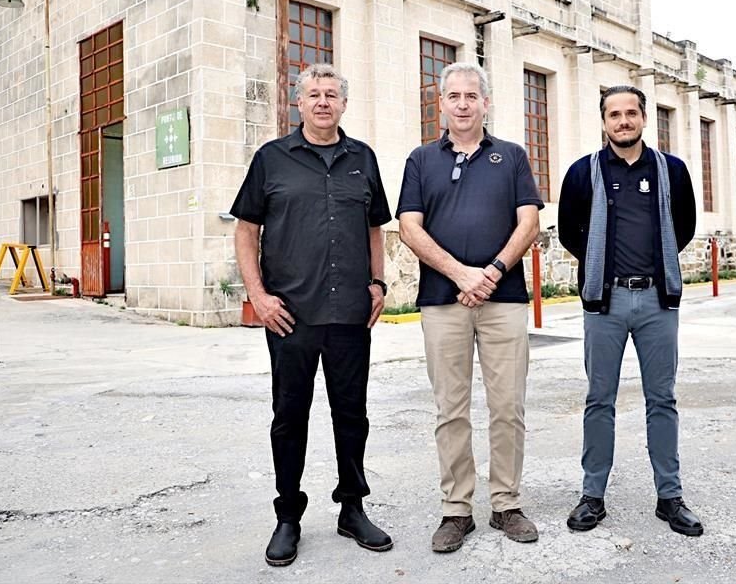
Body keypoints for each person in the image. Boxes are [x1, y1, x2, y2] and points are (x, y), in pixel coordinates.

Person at [231, 64, 393, 566]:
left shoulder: (361, 158)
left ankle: (352, 508)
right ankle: (288, 516)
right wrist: (258, 296)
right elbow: (245, 231)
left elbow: (374, 229)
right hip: (290, 316)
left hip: (349, 313)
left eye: (332, 95)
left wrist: (378, 282)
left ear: (344, 104)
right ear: (297, 103)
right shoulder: (271, 159)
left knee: (352, 416)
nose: (323, 102)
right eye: (313, 95)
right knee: (289, 417)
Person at [396, 62, 544, 553]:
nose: (462, 104)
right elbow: (410, 228)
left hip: (502, 301)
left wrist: (492, 273)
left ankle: (506, 504)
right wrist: (461, 274)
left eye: (471, 96)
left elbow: (528, 223)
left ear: (485, 102)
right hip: (443, 301)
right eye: (453, 96)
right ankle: (457, 511)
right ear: (441, 104)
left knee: (507, 407)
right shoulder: (421, 160)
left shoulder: (513, 156)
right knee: (450, 410)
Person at [557, 85, 703, 537]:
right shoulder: (583, 173)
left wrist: (652, 266)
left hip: (657, 302)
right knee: (599, 400)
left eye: (631, 113)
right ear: (603, 122)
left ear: (644, 119)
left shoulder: (670, 171)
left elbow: (684, 227)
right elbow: (568, 232)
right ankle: (593, 496)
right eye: (614, 114)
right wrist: (603, 267)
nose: (623, 121)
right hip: (605, 302)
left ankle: (670, 496)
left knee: (663, 399)